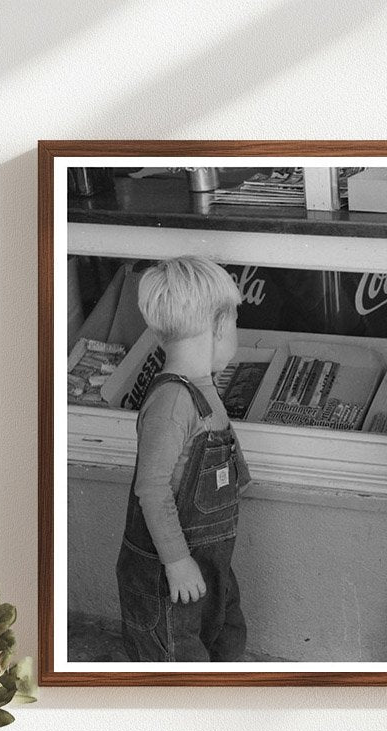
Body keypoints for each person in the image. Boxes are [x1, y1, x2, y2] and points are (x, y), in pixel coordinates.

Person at [116, 257, 250, 661]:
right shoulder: (173, 401)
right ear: (221, 325)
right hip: (168, 575)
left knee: (225, 637)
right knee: (175, 658)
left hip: (209, 562)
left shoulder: (202, 388)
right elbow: (153, 489)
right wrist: (176, 562)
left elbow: (216, 449)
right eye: (237, 324)